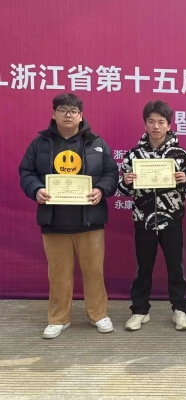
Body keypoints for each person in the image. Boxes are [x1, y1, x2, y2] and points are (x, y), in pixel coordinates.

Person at [19, 93, 118, 339]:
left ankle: (99, 315)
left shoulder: (96, 142)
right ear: (53, 114)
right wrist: (36, 189)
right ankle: (58, 318)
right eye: (62, 110)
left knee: (94, 272)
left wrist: (101, 189)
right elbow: (26, 171)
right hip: (54, 221)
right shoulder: (40, 143)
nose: (68, 115)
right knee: (58, 274)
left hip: (90, 221)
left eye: (73, 111)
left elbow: (111, 173)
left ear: (81, 116)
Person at [118, 100, 186, 331]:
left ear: (169, 125)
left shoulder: (180, 154)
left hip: (172, 220)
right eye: (151, 121)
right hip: (143, 221)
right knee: (143, 268)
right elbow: (121, 190)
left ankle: (180, 310)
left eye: (161, 122)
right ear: (145, 125)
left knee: (176, 267)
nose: (156, 126)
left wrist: (185, 180)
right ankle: (140, 310)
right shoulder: (133, 155)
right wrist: (126, 181)